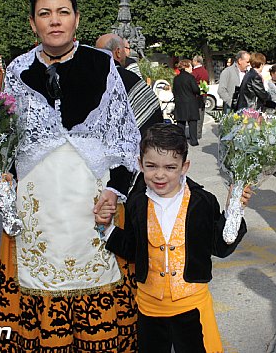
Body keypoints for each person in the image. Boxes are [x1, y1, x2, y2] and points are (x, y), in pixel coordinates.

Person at [0, 0, 141, 352]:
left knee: (100, 275)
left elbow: (125, 138)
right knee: (37, 281)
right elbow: (5, 139)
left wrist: (114, 191)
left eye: (63, 12)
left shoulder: (102, 63)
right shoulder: (17, 70)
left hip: (95, 201)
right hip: (37, 206)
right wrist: (2, 173)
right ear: (32, 23)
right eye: (44, 13)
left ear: (76, 19)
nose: (54, 21)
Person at [97, 123, 251, 353]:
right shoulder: (137, 203)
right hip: (149, 309)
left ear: (184, 167)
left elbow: (220, 246)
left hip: (192, 306)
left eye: (170, 167)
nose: (160, 175)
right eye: (151, 166)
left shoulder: (203, 202)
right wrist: (106, 228)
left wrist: (233, 211)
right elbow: (132, 248)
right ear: (140, 165)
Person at [96, 33, 163, 136]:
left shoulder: (87, 78)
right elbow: (152, 113)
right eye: (124, 50)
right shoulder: (129, 78)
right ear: (118, 52)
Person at [172, 59, 201, 146]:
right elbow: (196, 90)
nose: (192, 68)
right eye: (191, 66)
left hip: (180, 103)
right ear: (186, 67)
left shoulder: (176, 79)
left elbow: (174, 91)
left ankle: (180, 141)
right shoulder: (190, 77)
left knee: (180, 123)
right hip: (190, 102)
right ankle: (193, 141)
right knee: (192, 123)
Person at [191, 55, 209, 139]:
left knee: (195, 114)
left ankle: (194, 133)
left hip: (196, 95)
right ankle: (199, 133)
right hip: (204, 94)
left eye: (193, 61)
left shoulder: (195, 71)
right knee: (201, 114)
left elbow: (191, 82)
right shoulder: (205, 71)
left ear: (196, 62)